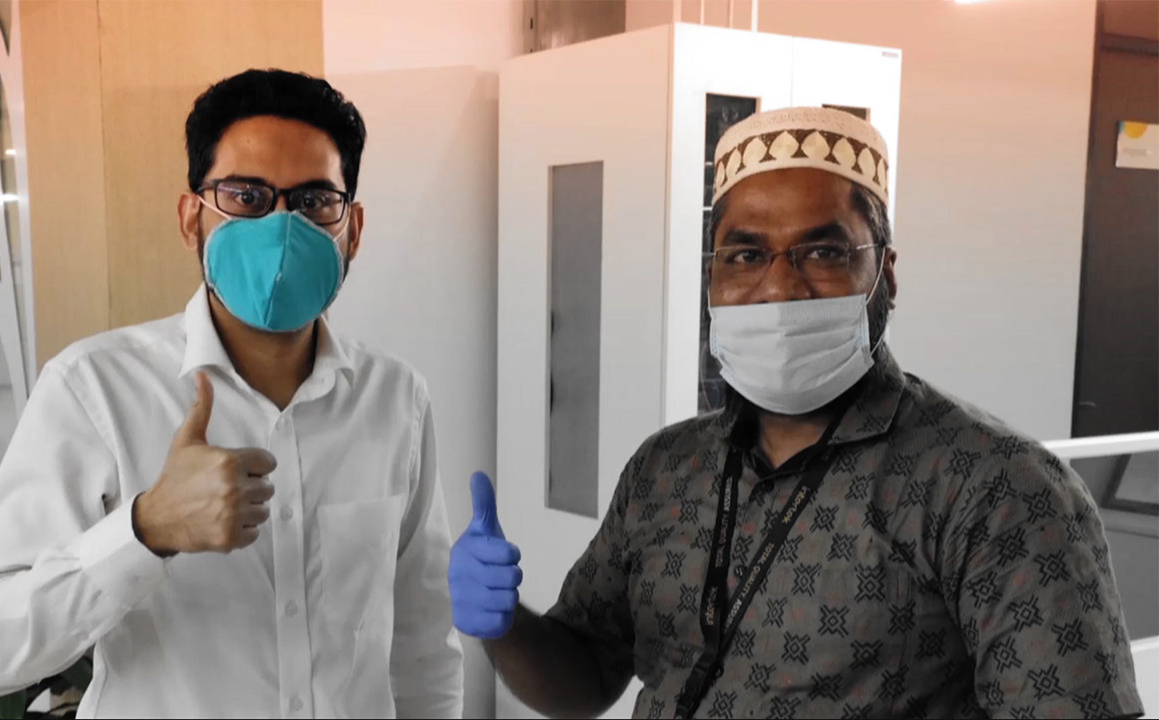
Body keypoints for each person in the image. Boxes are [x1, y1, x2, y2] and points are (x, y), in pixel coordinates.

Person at [449, 107, 1143, 719]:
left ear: (886, 274)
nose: (780, 287)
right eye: (746, 254)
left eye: (824, 252)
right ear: (714, 277)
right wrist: (503, 626)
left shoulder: (996, 490)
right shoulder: (665, 470)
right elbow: (587, 675)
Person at [0, 69, 463, 719]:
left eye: (313, 201)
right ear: (192, 219)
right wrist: (145, 531)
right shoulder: (95, 389)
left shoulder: (395, 399)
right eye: (246, 196)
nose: (282, 228)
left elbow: (422, 645)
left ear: (352, 229)